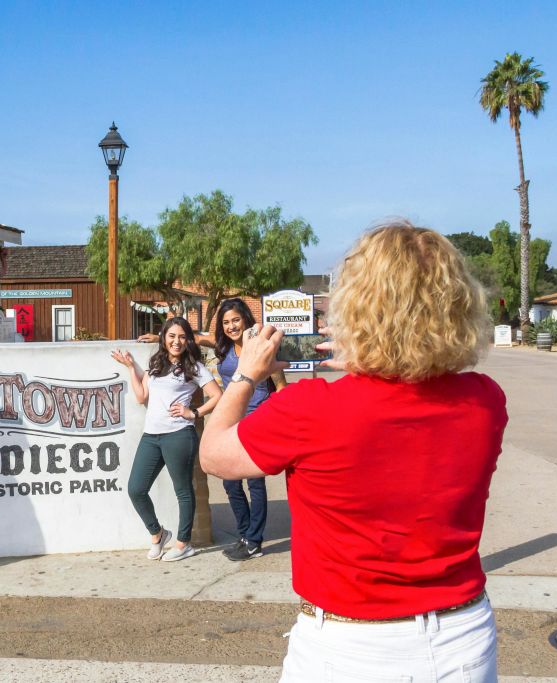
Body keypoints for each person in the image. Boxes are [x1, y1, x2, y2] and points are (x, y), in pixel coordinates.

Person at [200, 221, 508, 681]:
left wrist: (246, 374)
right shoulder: (485, 400)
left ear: (358, 309)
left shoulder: (310, 410)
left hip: (350, 647)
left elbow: (215, 454)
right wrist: (376, 362)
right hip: (461, 636)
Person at [112, 317, 223, 562]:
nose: (177, 341)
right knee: (136, 489)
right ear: (164, 337)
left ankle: (183, 543)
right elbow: (141, 397)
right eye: (172, 336)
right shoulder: (156, 364)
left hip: (179, 435)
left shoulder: (193, 367)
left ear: (188, 340)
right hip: (151, 436)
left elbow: (218, 396)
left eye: (182, 337)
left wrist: (193, 413)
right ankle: (158, 534)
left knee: (183, 491)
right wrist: (131, 367)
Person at [211, 298, 287, 561]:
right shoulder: (225, 349)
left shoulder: (261, 350)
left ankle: (254, 541)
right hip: (233, 421)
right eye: (226, 322)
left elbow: (281, 387)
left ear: (245, 320)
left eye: (236, 320)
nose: (231, 326)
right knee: (230, 483)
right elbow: (203, 340)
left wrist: (275, 419)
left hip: (257, 421)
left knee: (255, 483)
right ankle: (245, 535)